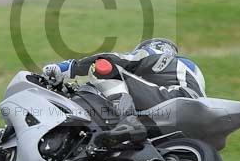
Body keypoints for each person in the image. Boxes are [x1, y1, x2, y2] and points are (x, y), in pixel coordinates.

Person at [42, 38, 206, 147]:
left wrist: (67, 68)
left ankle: (127, 120)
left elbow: (117, 59)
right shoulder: (180, 71)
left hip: (175, 100)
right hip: (187, 121)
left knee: (103, 66)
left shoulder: (161, 55)